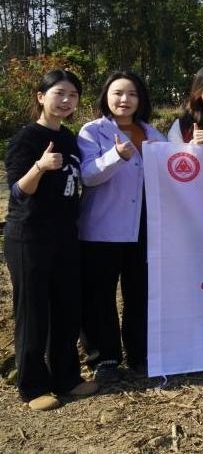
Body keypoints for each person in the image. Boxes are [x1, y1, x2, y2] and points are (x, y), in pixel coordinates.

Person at [4, 69, 98, 411]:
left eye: (72, 95)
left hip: (65, 235)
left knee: (66, 307)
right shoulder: (27, 139)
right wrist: (40, 167)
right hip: (29, 236)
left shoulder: (70, 137)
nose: (66, 100)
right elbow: (17, 192)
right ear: (41, 97)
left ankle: (67, 378)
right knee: (33, 311)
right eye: (59, 93)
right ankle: (32, 386)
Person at [77, 70, 164, 383]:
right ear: (106, 97)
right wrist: (116, 155)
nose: (124, 100)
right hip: (102, 227)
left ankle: (140, 354)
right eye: (118, 93)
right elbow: (88, 176)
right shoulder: (92, 132)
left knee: (139, 292)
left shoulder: (153, 133)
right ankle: (105, 358)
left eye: (132, 94)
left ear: (141, 100)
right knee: (99, 294)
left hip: (143, 227)